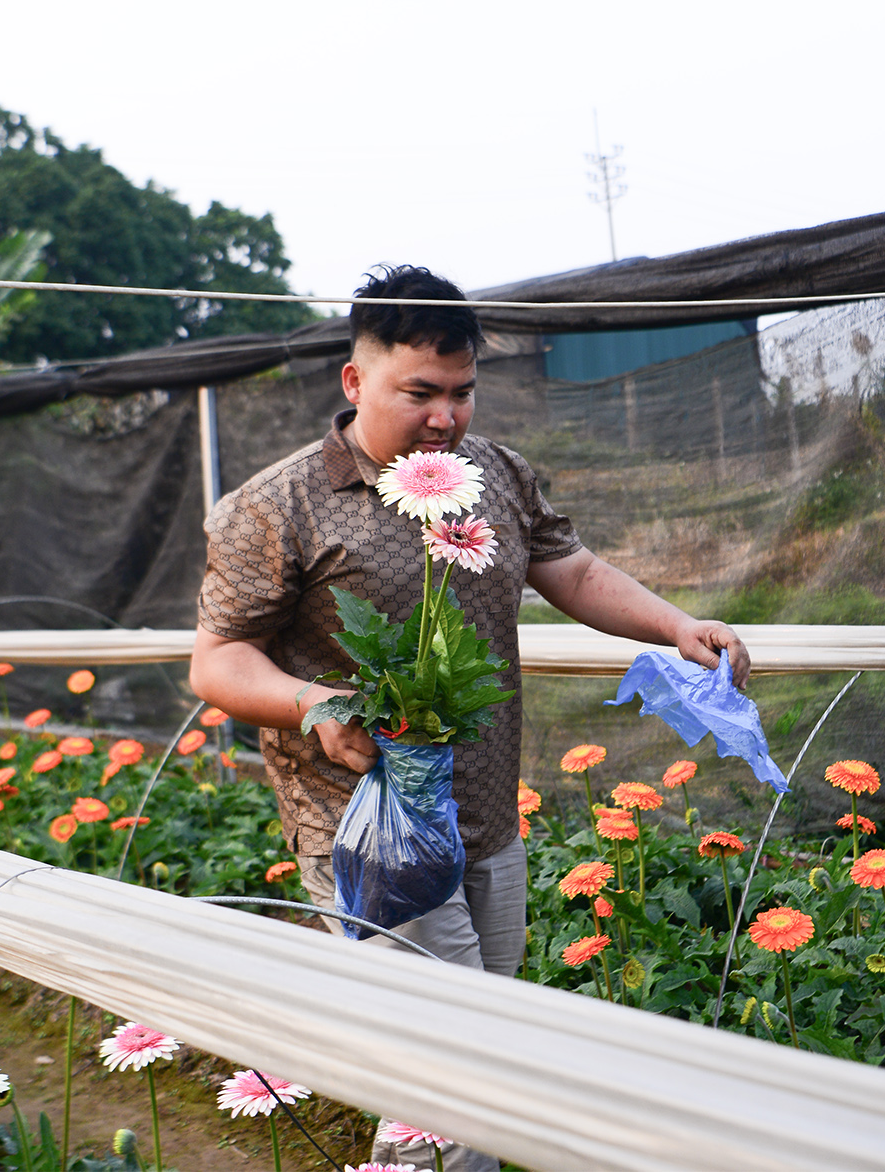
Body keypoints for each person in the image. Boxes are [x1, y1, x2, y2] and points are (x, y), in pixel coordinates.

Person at [189, 265, 749, 1168]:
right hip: (366, 825)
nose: (445, 417)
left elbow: (570, 569)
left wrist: (678, 625)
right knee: (454, 1058)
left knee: (481, 1040)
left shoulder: (493, 474)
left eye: (462, 392)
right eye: (420, 393)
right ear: (355, 381)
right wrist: (316, 701)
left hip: (486, 812)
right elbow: (215, 661)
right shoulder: (277, 505)